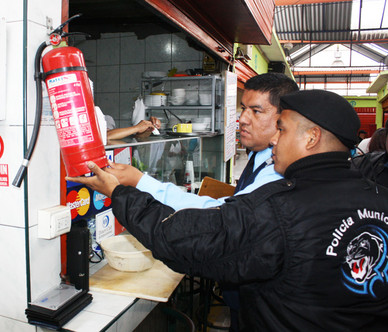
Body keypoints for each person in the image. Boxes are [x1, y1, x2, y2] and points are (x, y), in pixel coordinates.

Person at [67, 90, 388, 331]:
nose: (275, 138)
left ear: (312, 137)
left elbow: (182, 240)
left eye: (283, 129)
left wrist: (119, 193)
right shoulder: (379, 197)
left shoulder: (280, 208)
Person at [105, 72, 299, 210]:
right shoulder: (260, 155)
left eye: (256, 111)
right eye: (243, 108)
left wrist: (139, 181)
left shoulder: (278, 172)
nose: (244, 119)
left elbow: (222, 215)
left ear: (285, 116)